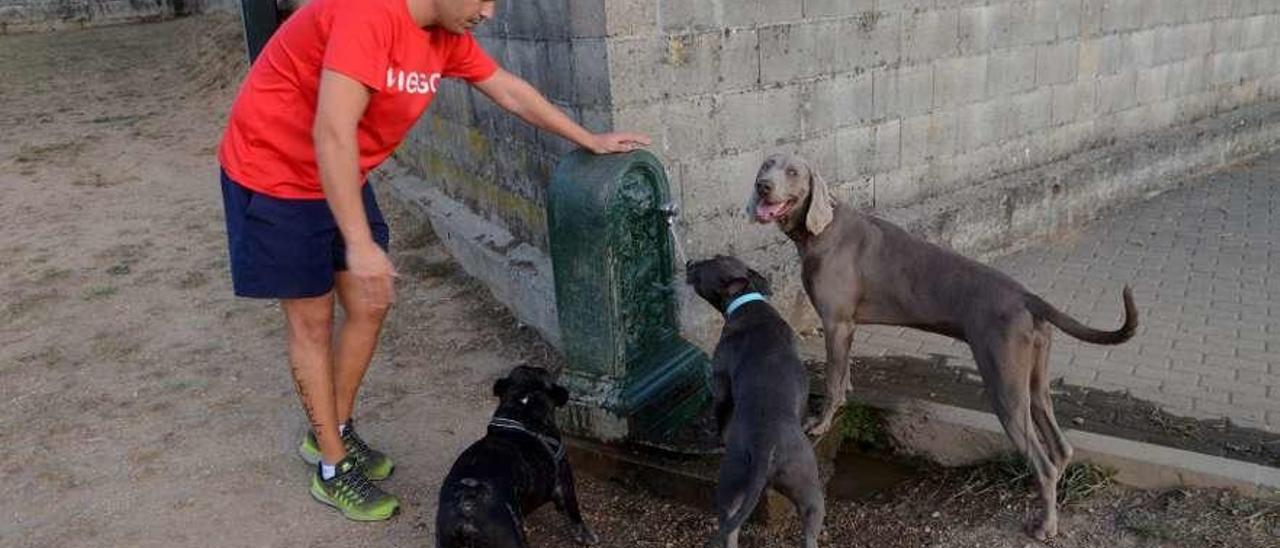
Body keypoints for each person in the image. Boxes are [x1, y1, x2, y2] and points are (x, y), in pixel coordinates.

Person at [218, 0, 650, 522]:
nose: (489, 12)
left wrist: (590, 139)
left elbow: (509, 90)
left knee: (369, 304)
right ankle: (331, 468)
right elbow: (332, 133)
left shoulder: (443, 35)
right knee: (312, 321)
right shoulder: (366, 15)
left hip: (339, 172)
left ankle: (334, 429)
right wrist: (358, 242)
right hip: (276, 171)